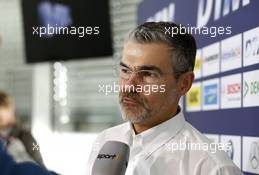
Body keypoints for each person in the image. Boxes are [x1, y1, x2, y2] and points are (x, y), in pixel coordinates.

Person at [87, 22, 243, 175]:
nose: (129, 86)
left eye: (148, 74)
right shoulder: (105, 140)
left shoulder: (212, 168)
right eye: (125, 70)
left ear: (184, 84)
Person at [0, 90, 45, 168]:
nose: (1, 113)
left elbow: (39, 161)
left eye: (3, 108)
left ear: (11, 109)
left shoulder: (26, 136)